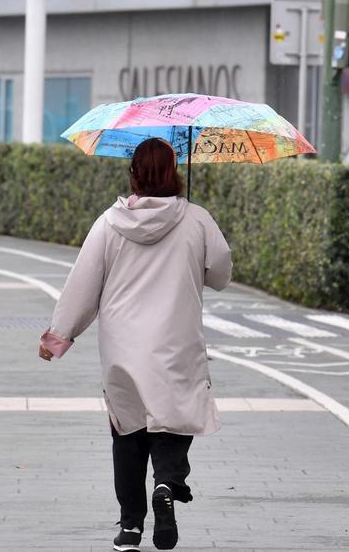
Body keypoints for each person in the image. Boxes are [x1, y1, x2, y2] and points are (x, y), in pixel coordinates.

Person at [38, 137, 232, 552]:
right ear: (174, 173)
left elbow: (83, 286)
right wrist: (198, 243)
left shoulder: (108, 223)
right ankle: (166, 483)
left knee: (127, 434)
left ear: (134, 175)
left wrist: (58, 337)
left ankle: (130, 528)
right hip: (176, 343)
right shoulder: (196, 219)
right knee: (175, 420)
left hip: (122, 348)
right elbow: (221, 275)